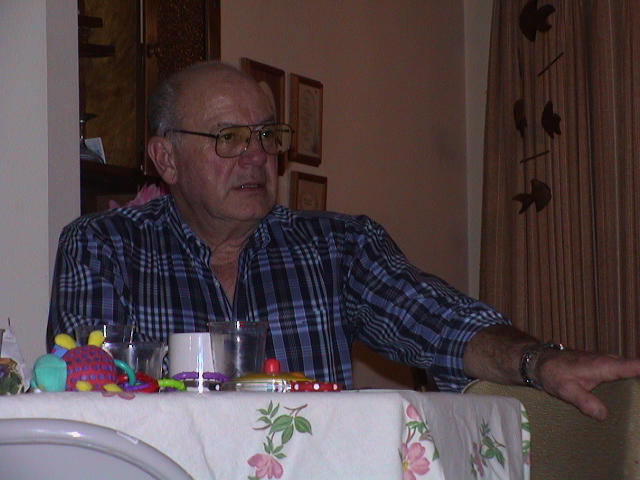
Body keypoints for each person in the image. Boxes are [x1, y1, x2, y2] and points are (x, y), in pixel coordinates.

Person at [48, 61, 640, 421]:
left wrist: (540, 361)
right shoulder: (103, 247)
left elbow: (438, 322)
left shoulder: (337, 247)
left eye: (267, 135)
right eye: (229, 137)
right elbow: (91, 396)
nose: (257, 156)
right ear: (166, 159)